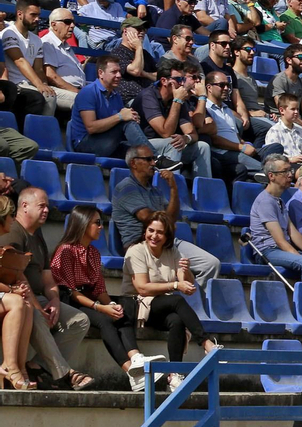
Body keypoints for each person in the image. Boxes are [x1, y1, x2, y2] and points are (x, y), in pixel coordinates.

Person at [0, 187, 93, 390]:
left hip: (36, 297)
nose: (46, 211)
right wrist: (39, 307)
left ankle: (38, 367)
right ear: (24, 206)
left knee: (79, 320)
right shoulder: (13, 232)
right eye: (41, 206)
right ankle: (65, 373)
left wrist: (55, 301)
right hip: (20, 296)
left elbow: (47, 276)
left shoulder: (37, 234)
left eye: (47, 207)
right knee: (34, 314)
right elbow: (18, 276)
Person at [50, 205, 150, 390]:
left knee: (122, 311)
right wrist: (101, 308)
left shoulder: (94, 253)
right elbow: (71, 291)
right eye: (97, 223)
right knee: (106, 320)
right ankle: (131, 373)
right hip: (71, 300)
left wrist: (111, 305)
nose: (101, 227)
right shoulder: (65, 251)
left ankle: (136, 357)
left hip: (89, 298)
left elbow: (99, 288)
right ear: (83, 224)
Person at [124, 214, 218, 391]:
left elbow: (185, 281)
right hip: (138, 305)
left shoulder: (173, 252)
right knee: (176, 300)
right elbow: (142, 288)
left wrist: (186, 271)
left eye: (160, 232)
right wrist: (176, 284)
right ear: (144, 232)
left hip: (162, 306)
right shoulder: (136, 251)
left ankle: (174, 375)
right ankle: (206, 343)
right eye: (151, 231)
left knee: (177, 320)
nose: (154, 236)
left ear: (167, 236)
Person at [110, 144, 222, 284]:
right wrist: (165, 219)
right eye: (148, 159)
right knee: (170, 277)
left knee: (211, 264)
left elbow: (172, 219)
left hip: (165, 242)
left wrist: (173, 187)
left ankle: (196, 303)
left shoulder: (154, 190)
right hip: (144, 244)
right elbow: (147, 218)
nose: (153, 163)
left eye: (154, 159)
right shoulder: (126, 188)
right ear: (134, 163)